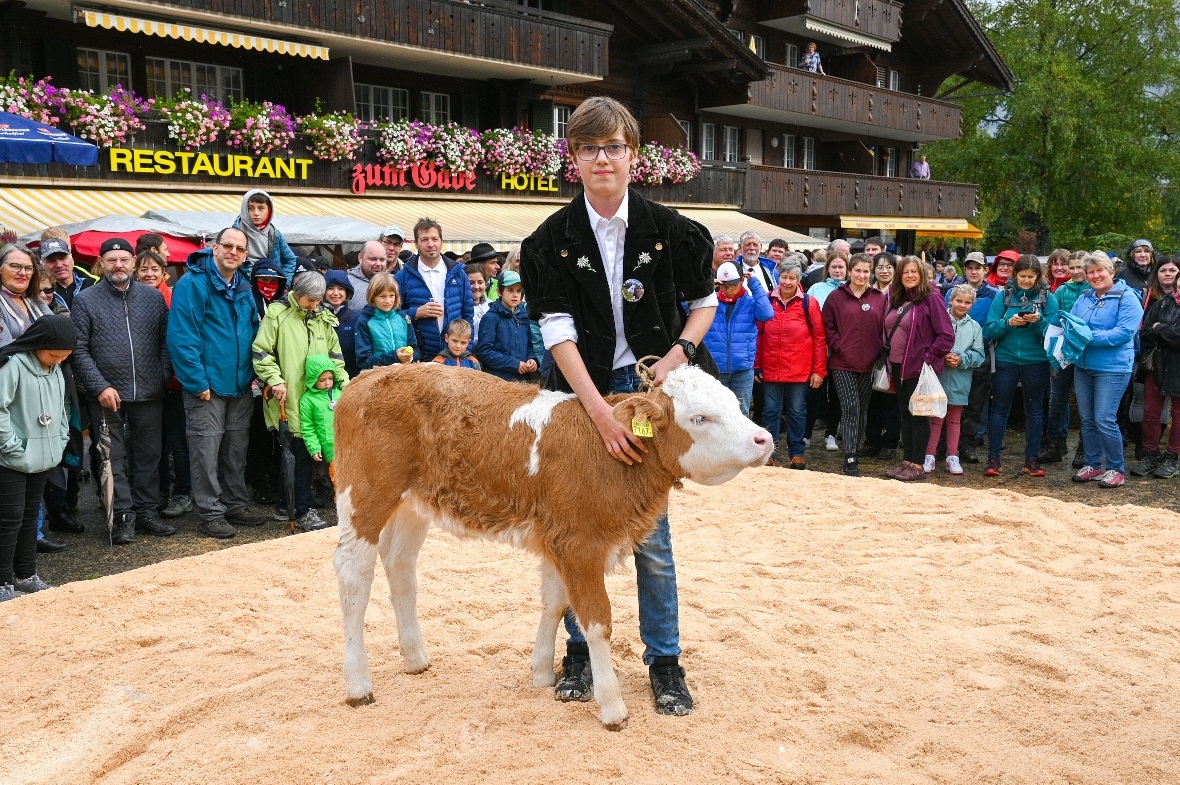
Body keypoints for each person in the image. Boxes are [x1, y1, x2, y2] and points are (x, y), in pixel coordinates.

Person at [520, 95, 719, 717]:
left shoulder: (675, 231)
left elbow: (704, 305)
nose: (601, 159)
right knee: (576, 527)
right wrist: (599, 414)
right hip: (578, 395)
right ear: (574, 158)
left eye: (613, 147)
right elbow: (558, 334)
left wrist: (675, 359)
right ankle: (580, 649)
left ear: (633, 154)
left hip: (653, 393)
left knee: (650, 534)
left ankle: (665, 661)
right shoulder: (548, 241)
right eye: (589, 148)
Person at [71, 238, 175, 544]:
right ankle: (123, 518)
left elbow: (166, 342)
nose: (118, 265)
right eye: (112, 260)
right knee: (112, 458)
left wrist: (161, 375)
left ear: (133, 262)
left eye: (124, 259)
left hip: (149, 392)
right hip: (106, 395)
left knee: (149, 456)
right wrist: (100, 386)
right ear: (102, 263)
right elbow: (78, 349)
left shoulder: (152, 298)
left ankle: (147, 513)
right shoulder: (86, 300)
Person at [169, 228, 268, 538]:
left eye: (240, 248)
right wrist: (197, 381)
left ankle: (235, 504)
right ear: (214, 248)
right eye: (228, 246)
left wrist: (258, 373)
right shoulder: (192, 284)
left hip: (240, 383)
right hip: (207, 386)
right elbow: (182, 337)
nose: (233, 252)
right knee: (205, 452)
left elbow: (254, 331)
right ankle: (210, 513)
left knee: (235, 451)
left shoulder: (243, 284)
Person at [252, 271, 347, 530]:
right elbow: (261, 351)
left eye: (318, 300)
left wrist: (344, 385)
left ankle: (286, 504)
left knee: (301, 454)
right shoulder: (277, 313)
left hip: (319, 398)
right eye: (310, 301)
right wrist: (274, 379)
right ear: (297, 294)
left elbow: (336, 357)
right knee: (298, 454)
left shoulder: (323, 317)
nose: (315, 305)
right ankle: (303, 509)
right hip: (290, 396)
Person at [0, 315, 75, 601]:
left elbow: (63, 406)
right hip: (11, 459)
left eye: (64, 356)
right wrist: (10, 446)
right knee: (9, 519)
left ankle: (25, 576)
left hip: (43, 456)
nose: (58, 361)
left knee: (31, 517)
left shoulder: (56, 368)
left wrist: (61, 439)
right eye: (54, 355)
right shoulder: (13, 365)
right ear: (38, 343)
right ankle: (2, 582)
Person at [982, 255, 1059, 477]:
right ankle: (993, 458)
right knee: (999, 409)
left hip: (1036, 360)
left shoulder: (1048, 298)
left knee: (1034, 410)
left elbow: (1054, 333)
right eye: (1022, 276)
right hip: (1006, 359)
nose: (1026, 280)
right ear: (1015, 275)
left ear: (1038, 277)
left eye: (1031, 277)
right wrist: (1008, 323)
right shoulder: (1003, 296)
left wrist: (1039, 321)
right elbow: (989, 329)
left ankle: (1031, 459)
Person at [1071, 252, 1143, 488]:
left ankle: (1116, 468)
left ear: (1111, 271)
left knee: (1104, 418)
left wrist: (1087, 337)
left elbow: (1123, 333)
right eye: (1090, 272)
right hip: (1083, 366)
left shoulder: (1127, 297)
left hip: (1112, 368)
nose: (1095, 276)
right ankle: (1093, 464)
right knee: (1088, 419)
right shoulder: (1084, 297)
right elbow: (1072, 325)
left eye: (1100, 270)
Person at [883, 256, 955, 481]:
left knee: (919, 415)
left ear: (922, 274)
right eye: (905, 272)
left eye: (914, 271)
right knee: (905, 414)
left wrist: (927, 357)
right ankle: (907, 461)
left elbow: (946, 335)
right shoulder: (898, 298)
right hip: (897, 365)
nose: (910, 275)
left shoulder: (931, 297)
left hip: (918, 367)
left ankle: (917, 464)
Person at [135, 250, 191, 520]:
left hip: (175, 384)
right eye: (144, 269)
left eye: (154, 269)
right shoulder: (132, 298)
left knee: (179, 443)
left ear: (164, 273)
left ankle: (183, 492)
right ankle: (158, 492)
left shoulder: (173, 297)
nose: (149, 274)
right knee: (153, 445)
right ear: (136, 273)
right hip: (146, 384)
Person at [757, 259, 826, 468]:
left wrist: (819, 370)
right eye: (784, 277)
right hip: (771, 366)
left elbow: (819, 338)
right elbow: (758, 335)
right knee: (770, 411)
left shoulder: (809, 303)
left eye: (792, 278)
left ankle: (797, 453)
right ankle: (769, 453)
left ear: (798, 280)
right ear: (778, 278)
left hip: (799, 369)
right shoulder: (767, 300)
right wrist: (757, 365)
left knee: (797, 411)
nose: (787, 282)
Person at [822, 253, 887, 476]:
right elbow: (827, 325)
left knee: (862, 410)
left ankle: (854, 448)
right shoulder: (836, 297)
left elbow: (885, 327)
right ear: (850, 271)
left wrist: (879, 351)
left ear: (871, 273)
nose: (861, 275)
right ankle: (850, 457)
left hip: (870, 364)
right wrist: (840, 346)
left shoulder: (879, 298)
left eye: (866, 271)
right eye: (857, 270)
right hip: (842, 363)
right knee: (850, 408)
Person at [925, 284, 985, 474]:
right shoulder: (939, 321)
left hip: (961, 378)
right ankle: (929, 454)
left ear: (972, 304)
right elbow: (929, 344)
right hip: (939, 376)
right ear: (950, 301)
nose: (962, 305)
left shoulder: (975, 327)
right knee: (935, 418)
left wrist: (962, 359)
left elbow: (979, 355)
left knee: (954, 418)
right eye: (959, 300)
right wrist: (941, 356)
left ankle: (952, 455)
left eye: (967, 302)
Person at [946, 251, 999, 464]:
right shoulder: (952, 291)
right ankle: (944, 444)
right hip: (950, 356)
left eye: (978, 268)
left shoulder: (993, 295)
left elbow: (994, 323)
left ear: (985, 270)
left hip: (979, 353)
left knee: (975, 402)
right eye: (970, 268)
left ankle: (967, 443)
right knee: (947, 401)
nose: (973, 272)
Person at [396, 218, 474, 361]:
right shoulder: (403, 276)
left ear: (441, 242)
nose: (430, 244)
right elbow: (392, 316)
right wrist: (416, 313)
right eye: (424, 239)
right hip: (420, 356)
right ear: (416, 244)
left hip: (453, 356)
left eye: (434, 239)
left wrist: (466, 352)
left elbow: (468, 315)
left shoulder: (458, 273)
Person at [1131, 255, 1180, 478]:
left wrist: (1161, 329)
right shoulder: (1161, 303)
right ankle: (1151, 453)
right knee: (1150, 412)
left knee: (1178, 415)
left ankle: (1173, 457)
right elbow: (1145, 332)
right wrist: (1166, 333)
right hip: (1157, 363)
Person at [703, 261, 772, 417]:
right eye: (723, 286)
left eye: (732, 286)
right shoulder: (711, 301)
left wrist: (754, 283)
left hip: (742, 370)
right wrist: (707, 288)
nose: (727, 290)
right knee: (716, 415)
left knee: (741, 414)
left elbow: (767, 314)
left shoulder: (750, 302)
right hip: (715, 369)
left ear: (742, 281)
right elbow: (686, 307)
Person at [805, 253, 848, 451]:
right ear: (828, 269)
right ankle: (806, 434)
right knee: (815, 394)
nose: (837, 271)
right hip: (818, 349)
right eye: (834, 267)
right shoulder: (816, 288)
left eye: (841, 267)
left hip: (841, 351)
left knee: (837, 396)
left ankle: (831, 433)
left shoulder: (851, 290)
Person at [475, 270, 540, 382]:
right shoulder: (491, 318)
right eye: (510, 290)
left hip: (523, 380)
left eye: (518, 291)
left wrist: (532, 359)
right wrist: (514, 364)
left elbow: (529, 346)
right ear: (499, 292)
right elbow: (484, 352)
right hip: (499, 381)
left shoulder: (523, 316)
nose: (515, 295)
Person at [355, 272, 418, 370]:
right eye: (382, 296)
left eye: (391, 295)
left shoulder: (404, 318)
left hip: (404, 372)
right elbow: (363, 361)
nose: (388, 301)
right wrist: (395, 357)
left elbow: (416, 350)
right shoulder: (364, 321)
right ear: (372, 297)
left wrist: (410, 356)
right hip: (377, 375)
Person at [232, 189, 297, 282]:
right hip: (241, 286)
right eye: (250, 208)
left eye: (261, 208)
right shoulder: (233, 234)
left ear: (269, 210)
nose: (256, 213)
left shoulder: (274, 234)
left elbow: (290, 260)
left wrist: (283, 284)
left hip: (268, 285)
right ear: (244, 210)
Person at [299, 355, 341, 470]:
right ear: (313, 379)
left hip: (347, 446)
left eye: (330, 378)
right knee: (332, 474)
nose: (327, 383)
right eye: (322, 380)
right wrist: (314, 448)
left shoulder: (340, 393)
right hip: (328, 449)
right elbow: (308, 426)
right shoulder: (308, 400)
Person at [38, 235, 96, 311]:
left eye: (62, 258)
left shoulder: (95, 284)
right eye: (51, 261)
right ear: (42, 264)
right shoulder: (39, 293)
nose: (59, 265)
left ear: (72, 259)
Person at [324, 269, 361, 379]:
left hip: (351, 378)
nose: (336, 293)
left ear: (347, 292)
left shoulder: (356, 319)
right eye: (330, 288)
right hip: (323, 381)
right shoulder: (316, 317)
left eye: (340, 289)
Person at [346, 240, 387, 311]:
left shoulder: (392, 282)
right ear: (360, 258)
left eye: (382, 260)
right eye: (373, 259)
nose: (378, 264)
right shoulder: (347, 283)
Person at [465, 263, 491, 340]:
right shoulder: (459, 307)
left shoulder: (491, 305)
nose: (476, 287)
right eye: (471, 283)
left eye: (480, 282)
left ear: (486, 284)